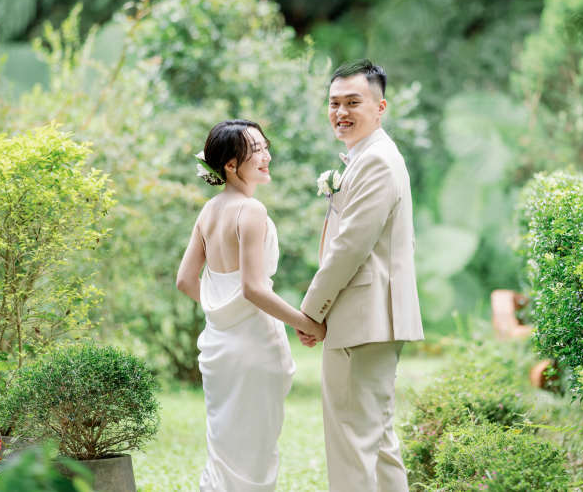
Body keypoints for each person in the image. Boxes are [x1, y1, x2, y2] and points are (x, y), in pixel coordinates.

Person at [176, 119, 326, 492]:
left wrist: (222, 308)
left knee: (225, 451)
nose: (266, 156)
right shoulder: (251, 210)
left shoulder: (208, 211)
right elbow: (253, 289)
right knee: (256, 453)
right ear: (230, 164)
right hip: (255, 346)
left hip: (219, 347)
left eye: (265, 147)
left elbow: (186, 281)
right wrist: (306, 323)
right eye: (256, 150)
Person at [298, 59, 425, 492]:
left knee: (352, 445)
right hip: (372, 318)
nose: (341, 112)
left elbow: (349, 247)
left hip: (362, 320)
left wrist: (310, 311)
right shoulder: (370, 156)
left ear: (380, 106)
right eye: (334, 103)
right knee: (378, 442)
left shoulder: (376, 161)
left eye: (353, 102)